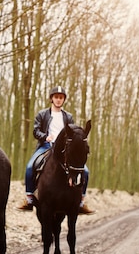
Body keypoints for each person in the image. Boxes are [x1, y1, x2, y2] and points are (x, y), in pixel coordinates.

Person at [18, 86, 93, 214]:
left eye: (61, 97)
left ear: (64, 100)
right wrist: (45, 137)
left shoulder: (68, 117)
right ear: (51, 99)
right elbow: (35, 131)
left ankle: (81, 200)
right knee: (30, 166)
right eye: (56, 97)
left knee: (85, 170)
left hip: (64, 149)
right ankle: (29, 197)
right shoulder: (42, 114)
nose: (58, 100)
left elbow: (73, 133)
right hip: (45, 146)